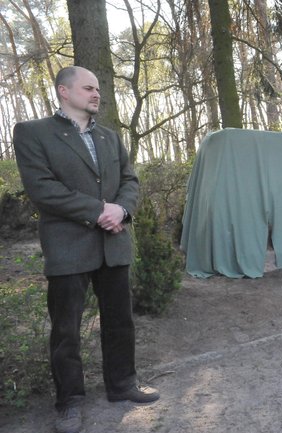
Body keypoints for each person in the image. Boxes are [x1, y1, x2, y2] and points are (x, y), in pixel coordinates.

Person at [13, 66, 159, 433]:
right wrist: (99, 211)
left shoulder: (110, 136)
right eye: (88, 88)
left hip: (114, 243)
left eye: (97, 89)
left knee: (120, 321)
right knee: (67, 330)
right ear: (64, 91)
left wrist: (121, 210)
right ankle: (70, 401)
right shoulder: (33, 133)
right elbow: (42, 188)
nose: (97, 94)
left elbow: (129, 180)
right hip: (67, 245)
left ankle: (122, 384)